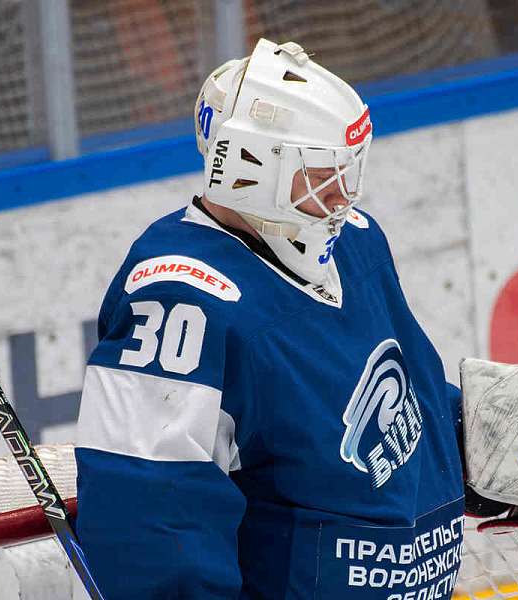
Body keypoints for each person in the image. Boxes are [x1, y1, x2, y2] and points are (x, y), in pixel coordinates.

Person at [74, 38, 466, 599]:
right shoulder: (180, 301)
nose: (345, 196)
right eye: (322, 176)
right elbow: (154, 515)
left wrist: (482, 430)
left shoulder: (357, 244)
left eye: (348, 172)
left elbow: (408, 395)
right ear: (251, 167)